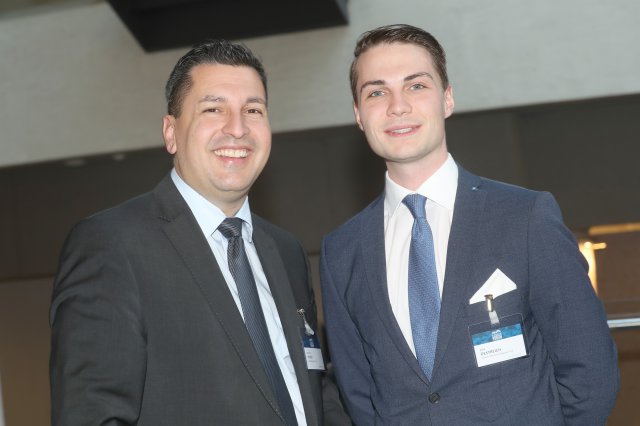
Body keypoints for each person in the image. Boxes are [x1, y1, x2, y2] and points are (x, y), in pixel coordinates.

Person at [320, 24, 619, 425]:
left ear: (447, 98)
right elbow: (359, 394)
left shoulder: (525, 216)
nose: (397, 106)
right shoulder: (341, 251)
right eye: (376, 92)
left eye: (416, 86)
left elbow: (591, 371)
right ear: (359, 114)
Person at [50, 39, 349, 425]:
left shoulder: (286, 251)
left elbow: (311, 389)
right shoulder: (111, 245)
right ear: (171, 132)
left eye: (253, 110)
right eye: (213, 109)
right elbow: (92, 414)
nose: (237, 128)